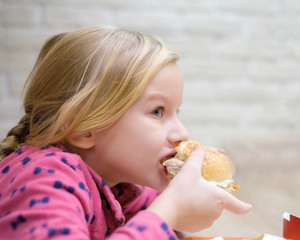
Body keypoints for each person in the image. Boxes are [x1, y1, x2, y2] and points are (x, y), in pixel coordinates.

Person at [0, 25, 252, 239]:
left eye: (177, 112)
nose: (182, 133)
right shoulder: (43, 179)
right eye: (157, 111)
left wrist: (188, 198)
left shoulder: (121, 185)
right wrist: (170, 210)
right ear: (85, 129)